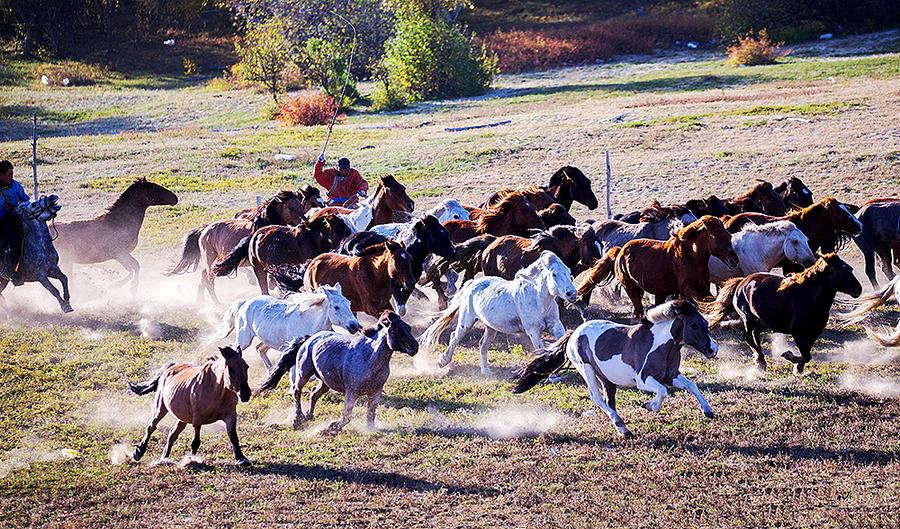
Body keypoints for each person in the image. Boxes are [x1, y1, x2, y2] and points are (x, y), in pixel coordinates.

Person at [0, 160, 29, 284]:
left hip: (18, 215)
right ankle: (13, 271)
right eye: (9, 175)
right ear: (1, 175)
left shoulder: (15, 185)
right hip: (3, 220)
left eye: (12, 174)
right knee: (13, 241)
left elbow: (25, 199)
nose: (12, 177)